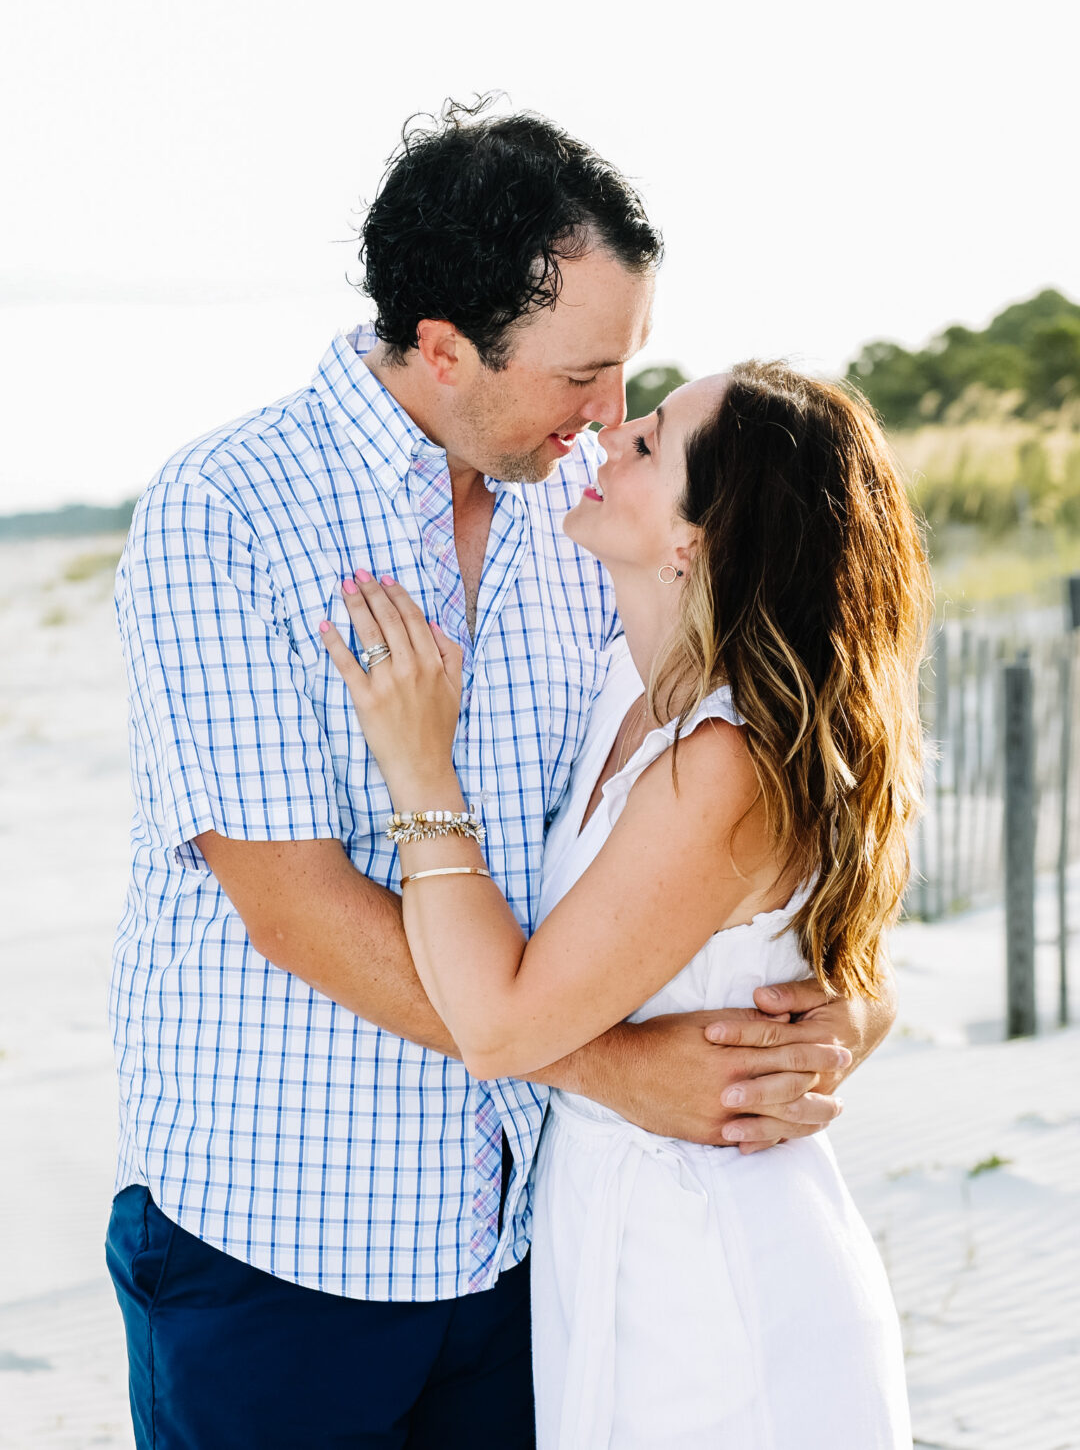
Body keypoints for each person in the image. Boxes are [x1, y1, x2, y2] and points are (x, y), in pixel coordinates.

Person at [107, 102, 893, 1448]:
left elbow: (724, 824)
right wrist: (621, 1072)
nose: (612, 414)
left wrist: (839, 1020)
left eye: (627, 374)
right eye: (583, 373)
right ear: (444, 349)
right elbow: (292, 904)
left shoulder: (590, 512)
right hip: (289, 1247)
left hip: (533, 1243)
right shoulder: (228, 510)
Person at [321, 357, 929, 1448]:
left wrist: (421, 771)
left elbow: (503, 1026)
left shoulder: (726, 764)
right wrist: (851, 1012)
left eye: (649, 443)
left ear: (699, 537)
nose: (609, 438)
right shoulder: (630, 687)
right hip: (608, 1243)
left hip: (715, 1283)